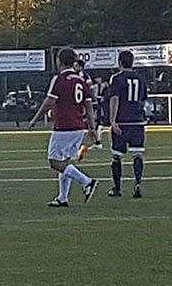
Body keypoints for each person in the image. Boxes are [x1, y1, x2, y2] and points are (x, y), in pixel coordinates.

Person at [31, 47, 98, 208]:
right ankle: (63, 197)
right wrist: (92, 128)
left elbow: (50, 101)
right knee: (66, 162)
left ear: (59, 61)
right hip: (78, 126)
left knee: (54, 162)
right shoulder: (82, 81)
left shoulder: (59, 79)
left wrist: (35, 118)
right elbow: (89, 107)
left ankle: (87, 181)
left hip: (64, 126)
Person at [107, 50, 148, 199]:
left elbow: (114, 99)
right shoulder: (141, 78)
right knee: (137, 154)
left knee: (117, 156)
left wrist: (112, 120)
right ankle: (137, 184)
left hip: (122, 121)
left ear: (119, 62)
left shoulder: (116, 78)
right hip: (137, 121)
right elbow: (143, 99)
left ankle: (117, 188)